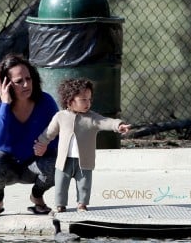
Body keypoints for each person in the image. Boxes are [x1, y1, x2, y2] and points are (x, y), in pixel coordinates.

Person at [0, 53, 59, 217]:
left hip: (34, 165)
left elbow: (60, 134)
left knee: (62, 163)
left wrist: (47, 145)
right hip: (6, 166)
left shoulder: (46, 101)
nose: (26, 84)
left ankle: (37, 197)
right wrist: (5, 105)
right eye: (19, 81)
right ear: (5, 84)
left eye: (28, 79)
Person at [34, 78, 131, 213]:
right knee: (61, 184)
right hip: (64, 161)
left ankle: (82, 204)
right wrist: (41, 144)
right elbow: (49, 133)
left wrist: (118, 125)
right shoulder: (60, 116)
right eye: (83, 100)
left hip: (84, 161)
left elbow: (105, 121)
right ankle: (60, 205)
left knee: (84, 184)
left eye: (89, 99)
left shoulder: (92, 118)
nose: (88, 103)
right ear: (69, 101)